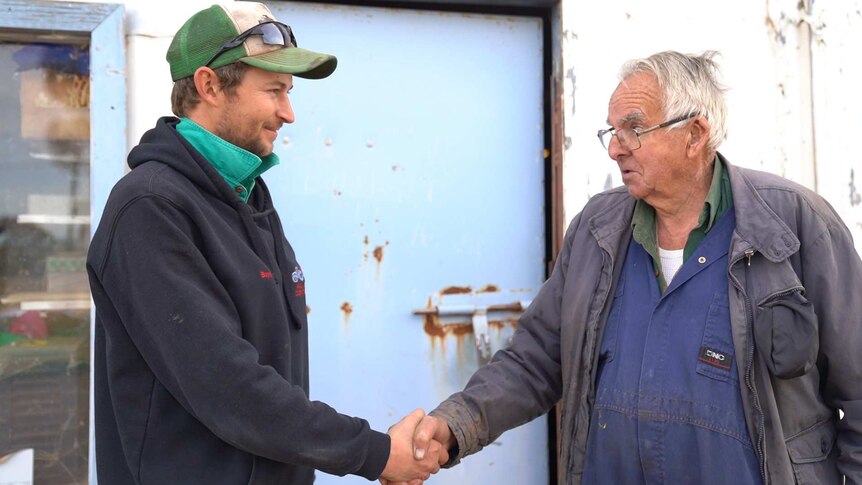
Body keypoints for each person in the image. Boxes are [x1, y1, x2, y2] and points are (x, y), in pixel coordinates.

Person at [404, 50, 862, 484]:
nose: (615, 149)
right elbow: (535, 358)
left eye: (633, 129)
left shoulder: (794, 225)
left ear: (695, 134)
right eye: (612, 132)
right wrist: (456, 422)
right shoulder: (597, 230)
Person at [86, 3, 445, 484]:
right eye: (274, 90)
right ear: (209, 85)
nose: (289, 113)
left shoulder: (248, 195)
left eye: (289, 93)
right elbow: (226, 384)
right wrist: (373, 453)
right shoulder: (150, 207)